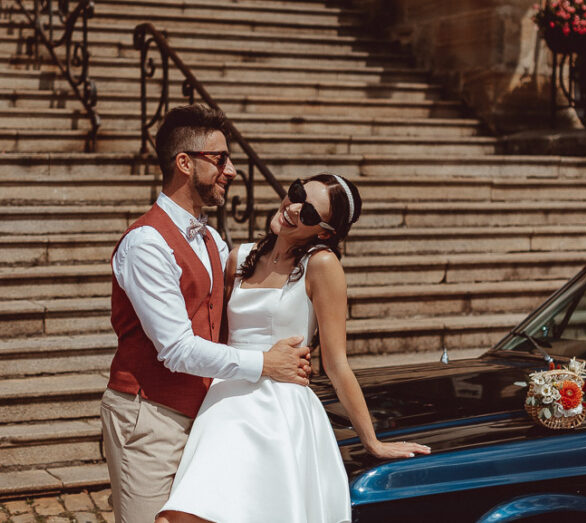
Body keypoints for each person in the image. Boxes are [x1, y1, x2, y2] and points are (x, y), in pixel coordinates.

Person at [157, 174, 431, 523]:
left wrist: (372, 441)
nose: (293, 208)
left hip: (279, 411)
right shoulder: (238, 257)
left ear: (324, 233)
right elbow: (216, 337)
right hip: (225, 405)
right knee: (185, 514)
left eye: (311, 214)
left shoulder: (322, 265)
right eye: (297, 194)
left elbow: (336, 364)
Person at [101, 104, 311, 523]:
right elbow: (177, 348)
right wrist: (266, 364)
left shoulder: (212, 239)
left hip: (208, 418)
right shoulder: (146, 243)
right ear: (184, 163)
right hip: (151, 417)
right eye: (220, 160)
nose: (231, 170)